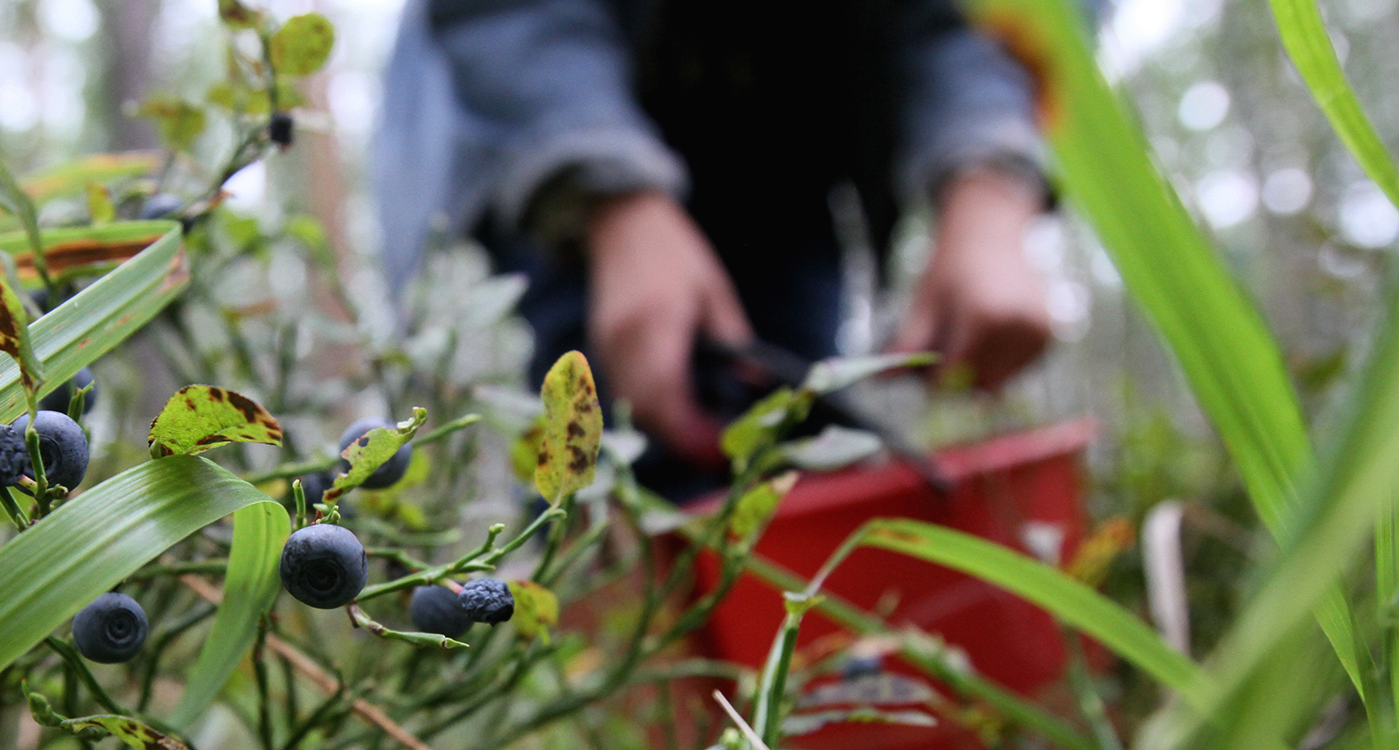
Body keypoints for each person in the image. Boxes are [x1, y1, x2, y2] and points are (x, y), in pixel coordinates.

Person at [373, 0, 1056, 496]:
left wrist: (988, 181)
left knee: (790, 450)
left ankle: (779, 667)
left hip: (783, 137)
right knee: (618, 459)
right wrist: (607, 196)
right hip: (555, 104)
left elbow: (957, 25)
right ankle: (613, 647)